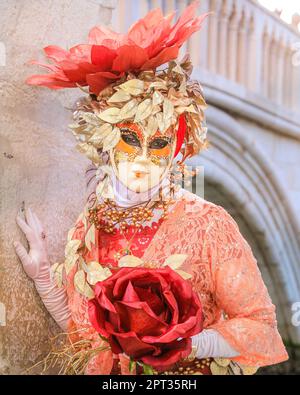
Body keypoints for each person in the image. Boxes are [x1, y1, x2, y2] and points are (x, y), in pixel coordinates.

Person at [14, 1, 288, 375]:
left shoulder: (209, 224)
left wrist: (189, 344)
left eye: (158, 144)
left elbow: (260, 327)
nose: (143, 158)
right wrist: (44, 278)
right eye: (130, 139)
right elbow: (89, 341)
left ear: (175, 151)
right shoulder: (91, 224)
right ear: (106, 141)